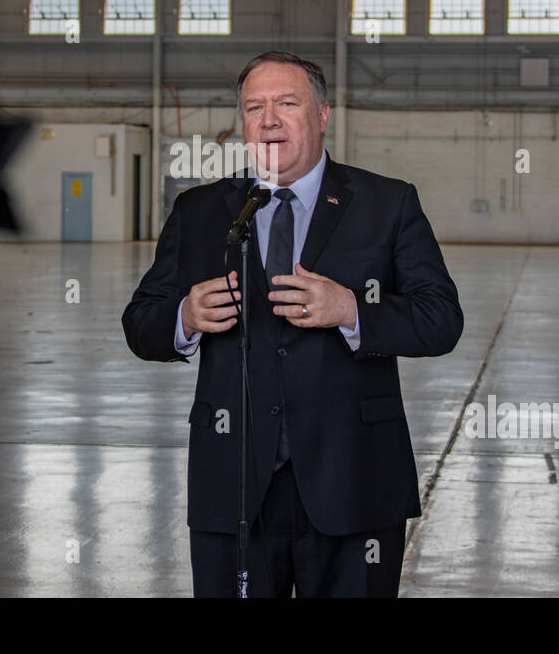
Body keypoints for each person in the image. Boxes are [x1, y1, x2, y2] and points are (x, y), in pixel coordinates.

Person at [122, 50, 463, 596]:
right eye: (254, 107)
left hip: (353, 481)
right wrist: (184, 317)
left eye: (286, 103)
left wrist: (352, 310)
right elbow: (140, 322)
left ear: (322, 114)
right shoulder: (202, 210)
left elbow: (442, 319)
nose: (269, 119)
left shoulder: (386, 203)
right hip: (232, 488)